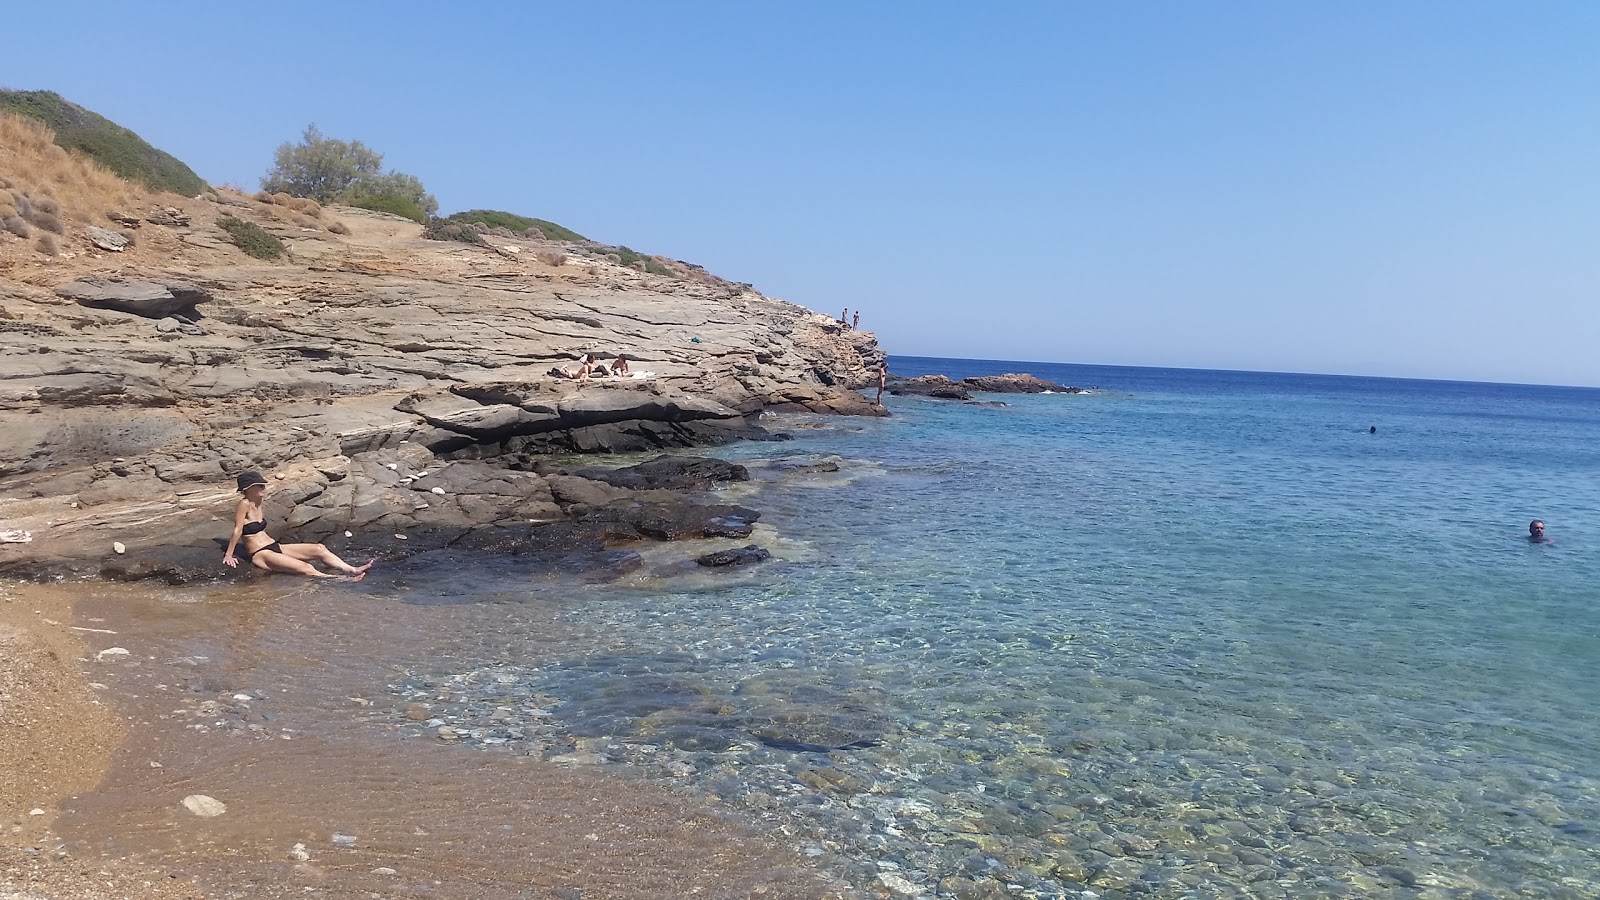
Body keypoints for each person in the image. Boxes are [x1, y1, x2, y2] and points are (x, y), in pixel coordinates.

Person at [223, 472, 373, 579]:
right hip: (260, 554)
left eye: (263, 485)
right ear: (248, 489)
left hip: (274, 546)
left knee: (319, 548)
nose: (264, 488)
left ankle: (353, 569)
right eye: (260, 485)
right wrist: (229, 554)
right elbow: (238, 530)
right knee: (306, 568)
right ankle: (342, 580)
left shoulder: (258, 501)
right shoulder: (244, 504)